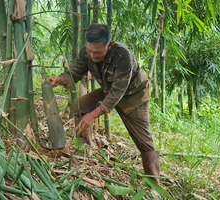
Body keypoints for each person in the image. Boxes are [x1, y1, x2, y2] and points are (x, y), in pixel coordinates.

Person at [48, 23, 160, 183]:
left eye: (98, 52)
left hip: (133, 96)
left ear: (110, 45)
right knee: (80, 106)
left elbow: (117, 92)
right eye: (89, 51)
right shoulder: (87, 52)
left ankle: (155, 185)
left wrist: (93, 115)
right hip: (109, 90)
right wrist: (59, 80)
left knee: (144, 143)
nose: (92, 56)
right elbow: (74, 74)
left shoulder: (123, 56)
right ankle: (84, 152)